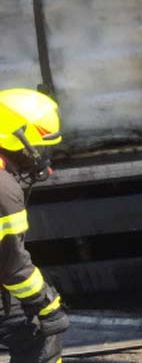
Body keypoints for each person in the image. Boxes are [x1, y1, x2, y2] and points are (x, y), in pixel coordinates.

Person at [0, 89, 69, 363]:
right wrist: (47, 304)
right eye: (39, 147)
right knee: (37, 335)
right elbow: (13, 267)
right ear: (18, 139)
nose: (41, 156)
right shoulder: (3, 190)